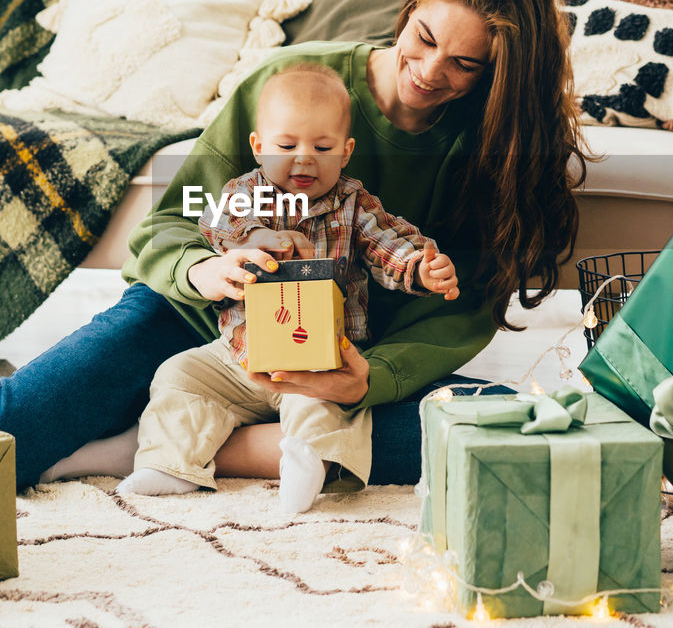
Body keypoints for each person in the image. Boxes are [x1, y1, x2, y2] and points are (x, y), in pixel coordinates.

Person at [0, 0, 587, 490]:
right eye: (425, 37)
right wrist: (206, 269)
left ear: (496, 72)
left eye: (466, 64)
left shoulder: (496, 145)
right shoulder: (290, 81)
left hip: (350, 361)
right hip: (198, 327)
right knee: (0, 441)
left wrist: (369, 379)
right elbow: (171, 224)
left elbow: (460, 307)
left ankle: (154, 435)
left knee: (515, 432)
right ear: (409, 8)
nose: (432, 72)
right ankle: (47, 406)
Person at [122, 63, 460, 512]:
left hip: (318, 356)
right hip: (241, 352)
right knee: (179, 375)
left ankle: (307, 463)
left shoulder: (353, 205)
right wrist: (251, 237)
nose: (304, 158)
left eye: (322, 147)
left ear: (345, 151)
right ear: (259, 148)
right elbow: (215, 221)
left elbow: (388, 245)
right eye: (286, 145)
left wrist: (419, 268)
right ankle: (169, 463)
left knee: (324, 406)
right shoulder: (245, 193)